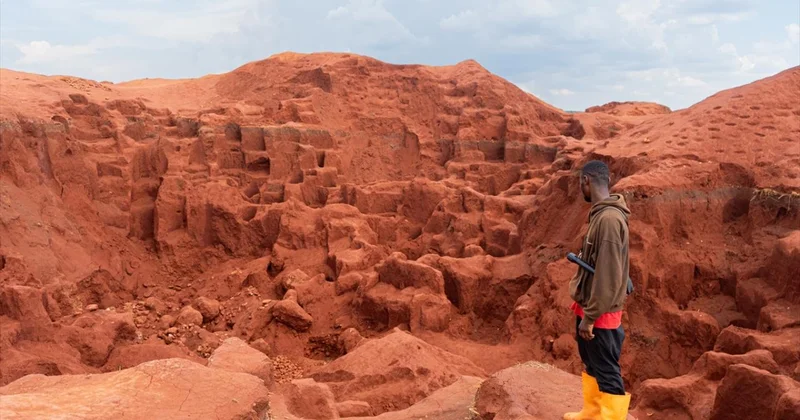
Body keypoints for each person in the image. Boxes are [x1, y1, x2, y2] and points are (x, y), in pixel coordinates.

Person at [563, 160, 631, 420]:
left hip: (600, 314)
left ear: (587, 181)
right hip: (591, 306)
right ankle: (591, 414)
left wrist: (590, 318)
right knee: (592, 363)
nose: (581, 188)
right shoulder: (602, 214)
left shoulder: (610, 219)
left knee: (607, 371)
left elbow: (609, 276)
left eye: (581, 183)